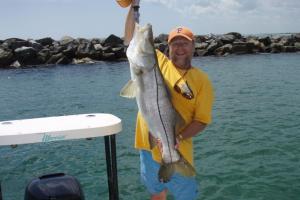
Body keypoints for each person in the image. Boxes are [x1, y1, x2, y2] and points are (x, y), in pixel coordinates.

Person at [124, 1, 214, 199]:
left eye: (185, 42)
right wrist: (134, 7)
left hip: (179, 149)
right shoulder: (158, 62)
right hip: (148, 147)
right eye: (175, 43)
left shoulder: (202, 80)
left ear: (193, 46)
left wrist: (178, 139)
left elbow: (202, 121)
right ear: (168, 47)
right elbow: (131, 38)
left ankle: (172, 161)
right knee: (157, 194)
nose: (180, 47)